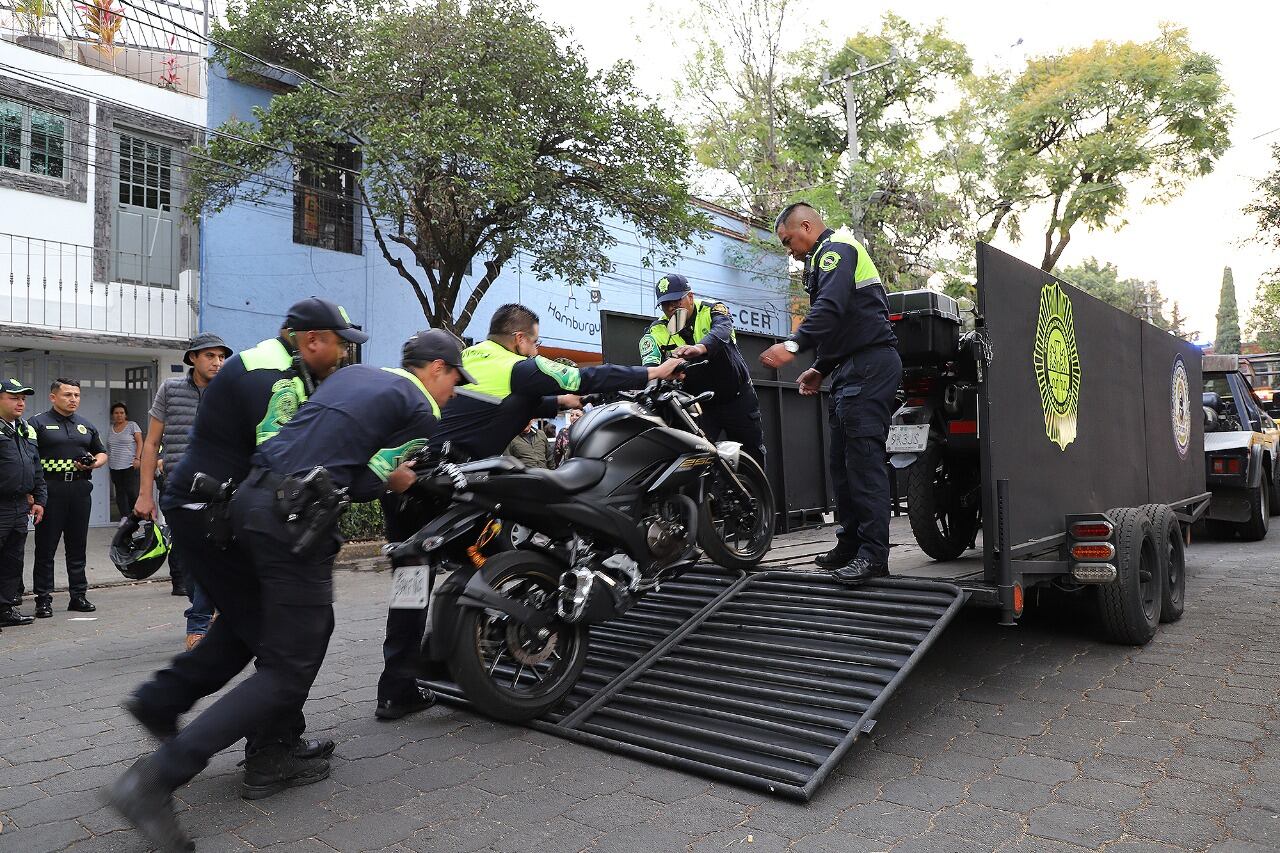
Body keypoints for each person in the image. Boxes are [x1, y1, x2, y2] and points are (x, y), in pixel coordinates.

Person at [107, 329, 469, 853]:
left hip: (250, 503)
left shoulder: (353, 377)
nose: (454, 392)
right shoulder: (420, 410)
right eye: (455, 378)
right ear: (436, 368)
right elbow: (368, 477)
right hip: (294, 518)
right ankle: (157, 779)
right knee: (287, 667)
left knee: (248, 629)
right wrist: (404, 481)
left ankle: (172, 705)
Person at [374, 304, 684, 720]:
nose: (536, 348)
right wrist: (654, 373)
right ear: (520, 339)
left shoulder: (469, 361)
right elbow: (580, 375)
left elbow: (508, 406)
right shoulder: (515, 365)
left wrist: (560, 401)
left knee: (411, 582)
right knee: (503, 556)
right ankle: (473, 644)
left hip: (408, 487)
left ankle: (399, 685)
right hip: (451, 486)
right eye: (535, 341)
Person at [121, 298, 365, 807]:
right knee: (286, 642)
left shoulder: (274, 364)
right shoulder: (273, 377)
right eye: (340, 344)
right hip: (211, 514)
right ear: (311, 339)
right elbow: (289, 462)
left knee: (244, 628)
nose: (343, 356)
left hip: (209, 509)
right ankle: (270, 754)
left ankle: (162, 699)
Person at [761, 202, 901, 585]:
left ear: (806, 226)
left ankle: (874, 556)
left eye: (789, 240)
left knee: (864, 463)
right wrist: (820, 369)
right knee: (841, 465)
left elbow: (832, 308)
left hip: (870, 365)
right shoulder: (824, 258)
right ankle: (851, 544)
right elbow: (846, 323)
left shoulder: (837, 249)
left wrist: (793, 346)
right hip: (850, 368)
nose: (789, 250)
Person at [136, 332, 233, 647]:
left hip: (218, 491)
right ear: (193, 358)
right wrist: (145, 493)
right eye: (210, 356)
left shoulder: (229, 392)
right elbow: (151, 444)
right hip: (177, 488)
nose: (217, 363)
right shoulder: (170, 389)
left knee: (209, 553)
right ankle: (213, 605)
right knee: (185, 560)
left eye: (221, 356)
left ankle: (199, 625)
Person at [640, 274, 766, 464]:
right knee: (697, 459)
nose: (672, 308)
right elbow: (651, 367)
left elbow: (722, 331)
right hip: (700, 405)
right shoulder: (656, 331)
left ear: (690, 297)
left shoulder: (712, 309)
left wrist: (698, 349)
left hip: (738, 398)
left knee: (752, 454)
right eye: (666, 304)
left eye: (676, 301)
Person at [29, 378, 108, 616]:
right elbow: (28, 458)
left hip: (79, 490)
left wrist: (93, 464)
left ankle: (78, 596)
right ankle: (43, 599)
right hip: (50, 491)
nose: (73, 399)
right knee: (46, 548)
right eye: (67, 395)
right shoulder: (37, 423)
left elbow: (102, 453)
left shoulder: (85, 425)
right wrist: (32, 494)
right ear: (53, 397)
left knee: (77, 546)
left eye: (76, 395)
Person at [0, 378, 45, 629]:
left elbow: (36, 467)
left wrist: (39, 498)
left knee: (12, 560)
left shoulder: (26, 429)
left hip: (19, 506)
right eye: (13, 397)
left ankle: (5, 608)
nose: (20, 402)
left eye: (23, 398)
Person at [106, 403, 143, 521]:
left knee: (131, 490)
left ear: (126, 414)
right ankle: (124, 516)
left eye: (122, 413)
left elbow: (140, 442)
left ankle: (136, 514)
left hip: (130, 464)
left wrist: (138, 458)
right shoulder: (111, 428)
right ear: (112, 415)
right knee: (120, 492)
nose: (119, 415)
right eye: (116, 413)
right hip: (114, 465)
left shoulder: (132, 425)